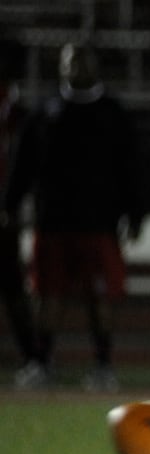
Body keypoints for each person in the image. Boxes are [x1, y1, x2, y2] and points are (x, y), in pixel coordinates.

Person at [3, 42, 142, 392]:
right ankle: (42, 361)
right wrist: (10, 204)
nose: (76, 68)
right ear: (61, 67)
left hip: (98, 221)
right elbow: (23, 166)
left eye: (83, 60)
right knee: (48, 295)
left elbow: (131, 166)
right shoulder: (45, 111)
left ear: (96, 65)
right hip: (53, 220)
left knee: (100, 297)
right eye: (70, 62)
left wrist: (136, 212)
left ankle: (103, 365)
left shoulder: (112, 112)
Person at [0, 37, 39, 388]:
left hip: (4, 213)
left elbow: (25, 167)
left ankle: (34, 358)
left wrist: (11, 205)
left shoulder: (18, 113)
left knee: (13, 288)